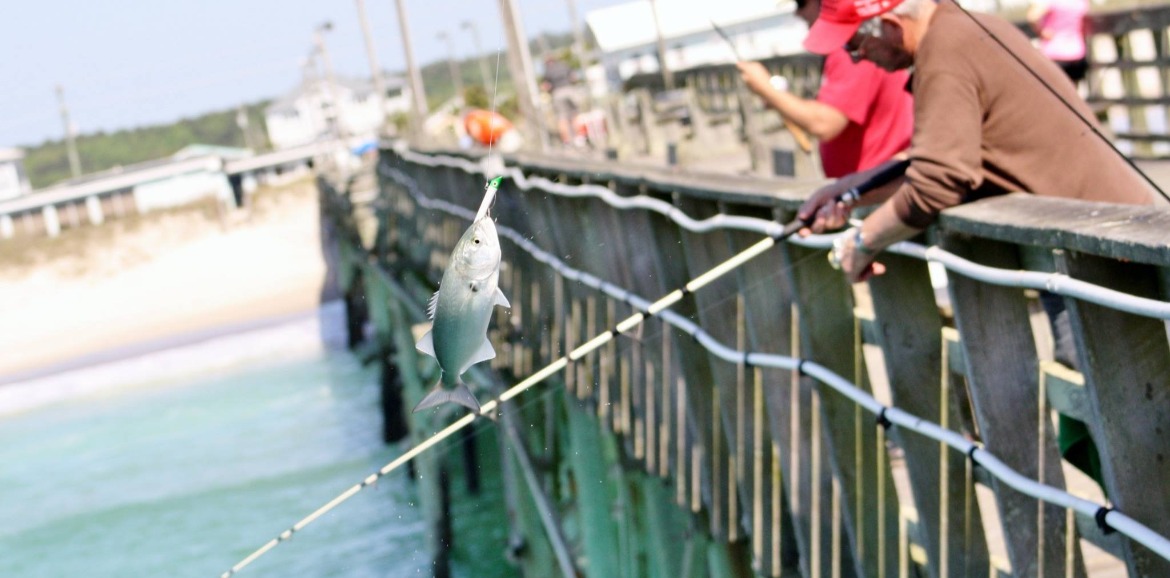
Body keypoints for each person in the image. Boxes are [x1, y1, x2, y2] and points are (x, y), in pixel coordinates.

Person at [798, 0, 1155, 488]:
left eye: (856, 44)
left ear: (887, 22)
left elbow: (939, 181)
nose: (858, 59)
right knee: (1112, 420)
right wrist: (851, 187)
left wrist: (861, 243)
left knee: (1120, 425)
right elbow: (942, 157)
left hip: (1101, 259)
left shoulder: (946, 52)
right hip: (1092, 249)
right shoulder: (958, 32)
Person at [736, 0, 913, 178]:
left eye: (801, 3)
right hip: (866, 185)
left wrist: (766, 88)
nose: (797, 13)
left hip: (873, 188)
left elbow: (826, 124)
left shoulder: (853, 48)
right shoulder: (854, 45)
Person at [1027, 0, 1089, 84]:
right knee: (1072, 92)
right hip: (1076, 52)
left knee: (1054, 92)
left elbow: (1033, 16)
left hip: (1055, 52)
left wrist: (1041, 31)